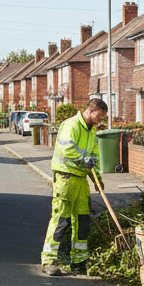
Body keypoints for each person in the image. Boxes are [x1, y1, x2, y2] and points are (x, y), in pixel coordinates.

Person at [40, 98, 107, 276]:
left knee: (83, 220)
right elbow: (66, 149)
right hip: (66, 178)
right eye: (100, 116)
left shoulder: (92, 130)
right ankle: (49, 260)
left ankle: (78, 261)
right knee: (61, 219)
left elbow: (93, 156)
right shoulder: (71, 125)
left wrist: (97, 179)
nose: (101, 120)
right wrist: (84, 159)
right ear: (91, 111)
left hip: (81, 179)